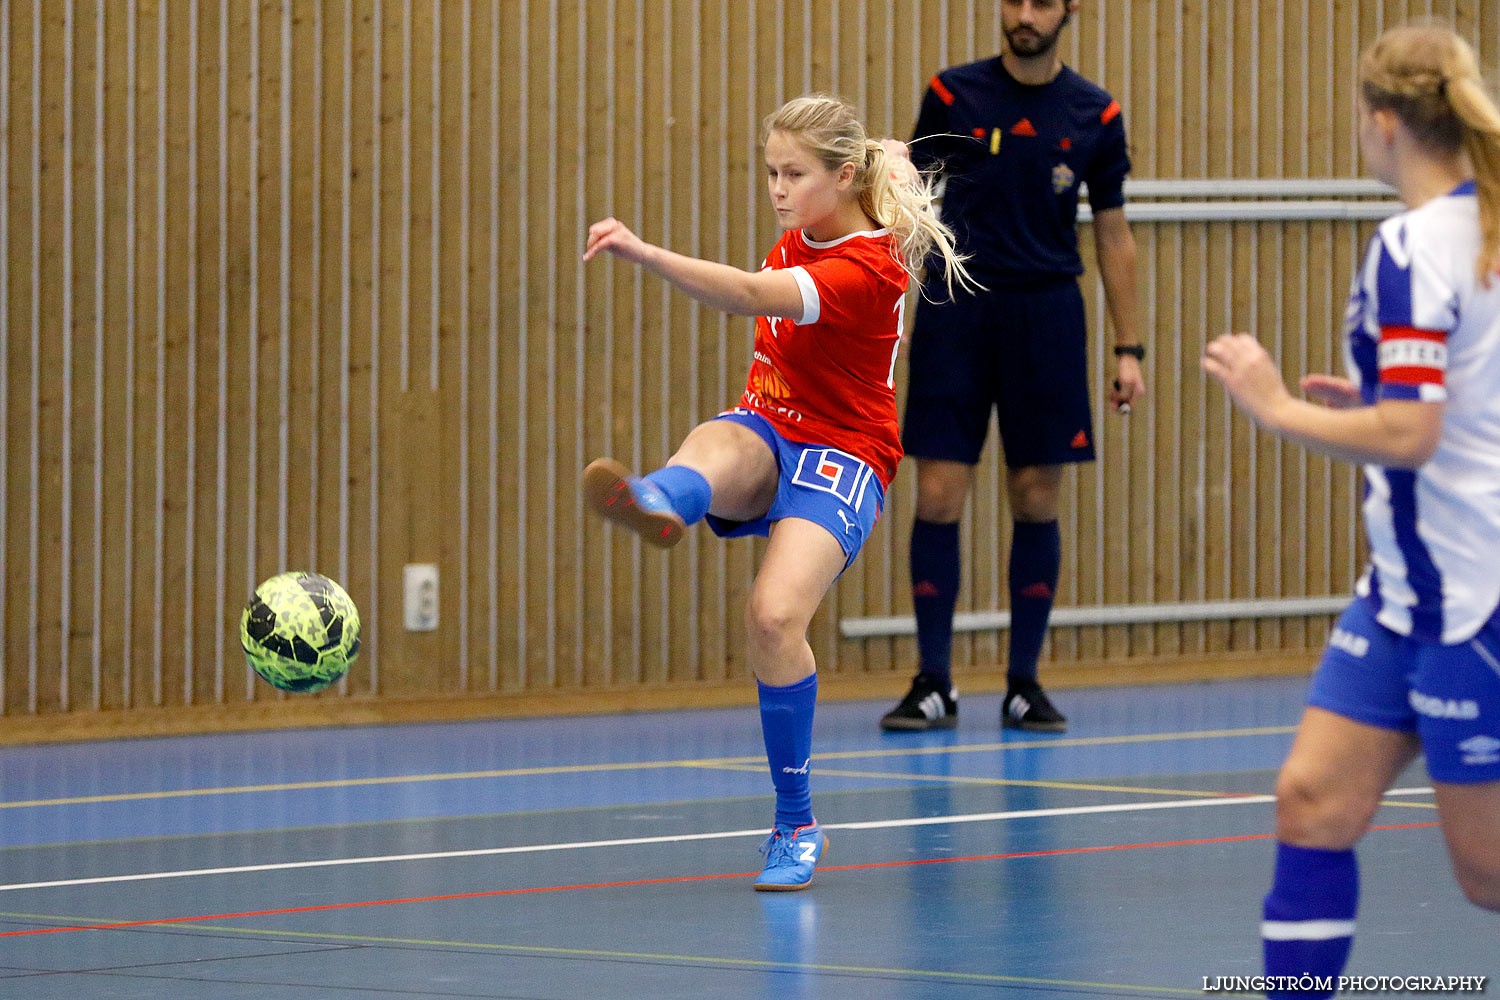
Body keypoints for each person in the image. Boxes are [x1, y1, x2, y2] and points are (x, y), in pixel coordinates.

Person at [581, 95, 973, 891]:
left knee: (771, 618)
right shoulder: (836, 209)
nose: (779, 190)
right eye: (770, 172)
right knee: (723, 437)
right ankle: (659, 498)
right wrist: (889, 160)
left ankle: (796, 821)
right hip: (769, 424)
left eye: (795, 174)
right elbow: (888, 167)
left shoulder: (864, 269)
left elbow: (747, 295)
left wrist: (647, 254)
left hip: (844, 451)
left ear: (840, 174)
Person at [1202, 23, 1500, 993]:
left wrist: (1275, 405)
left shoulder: (1413, 246)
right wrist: (1372, 405)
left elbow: (1414, 436)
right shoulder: (1473, 230)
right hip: (1402, 594)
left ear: (1381, 125)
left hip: (1472, 596)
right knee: (1311, 800)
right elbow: (1440, 405)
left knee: (1485, 874)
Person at [879, 0, 1144, 735]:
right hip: (955, 312)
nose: (1024, 14)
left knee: (1035, 497)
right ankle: (933, 682)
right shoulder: (953, 94)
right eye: (1014, 1)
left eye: (1041, 2)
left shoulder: (1097, 111)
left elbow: (1115, 236)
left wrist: (1131, 349)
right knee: (937, 494)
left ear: (1069, 11)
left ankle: (1024, 682)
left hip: (1047, 318)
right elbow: (901, 203)